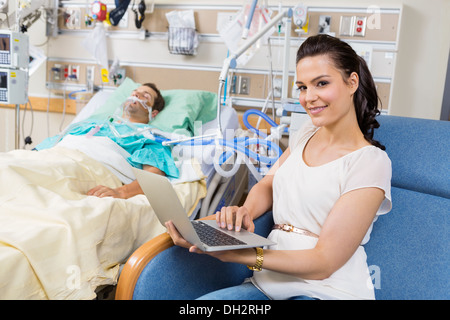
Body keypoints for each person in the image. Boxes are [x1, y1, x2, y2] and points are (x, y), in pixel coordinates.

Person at [165, 34, 392, 300]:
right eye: (303, 87)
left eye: (321, 83)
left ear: (352, 82)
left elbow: (324, 262)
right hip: (267, 284)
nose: (309, 97)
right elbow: (269, 183)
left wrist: (241, 255)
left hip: (325, 291)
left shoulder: (369, 162)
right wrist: (244, 212)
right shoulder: (306, 134)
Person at [36, 82, 179, 199]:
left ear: (153, 113)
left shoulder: (147, 136)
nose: (136, 94)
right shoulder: (92, 125)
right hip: (51, 158)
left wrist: (121, 192)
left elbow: (154, 178)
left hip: (86, 168)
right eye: (135, 92)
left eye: (145, 95)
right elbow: (47, 146)